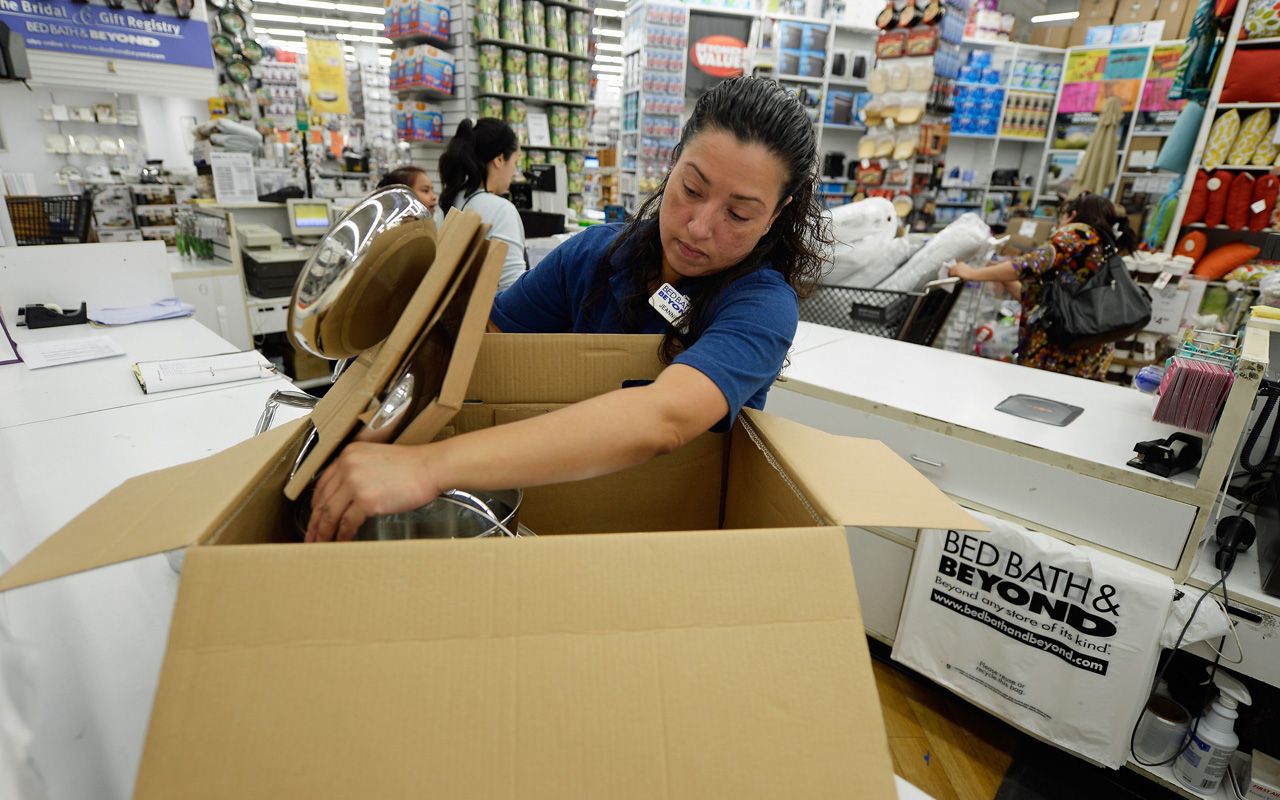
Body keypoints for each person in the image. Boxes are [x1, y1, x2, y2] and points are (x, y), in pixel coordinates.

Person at [305, 76, 828, 543]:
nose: (698, 226)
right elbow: (484, 345)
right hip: (553, 513)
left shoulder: (761, 305)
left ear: (777, 214)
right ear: (672, 164)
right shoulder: (595, 256)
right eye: (691, 189)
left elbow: (662, 419)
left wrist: (427, 466)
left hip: (673, 533)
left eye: (738, 213)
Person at [947, 193, 1135, 381]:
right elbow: (1044, 301)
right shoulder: (1101, 245)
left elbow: (1027, 265)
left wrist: (971, 273)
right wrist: (998, 272)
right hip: (1086, 348)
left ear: (1071, 215)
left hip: (1061, 351)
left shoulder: (1078, 234)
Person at [438, 118, 527, 292]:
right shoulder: (500, 209)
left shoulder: (452, 199)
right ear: (499, 160)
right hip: (486, 317)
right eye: (515, 162)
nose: (515, 172)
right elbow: (512, 288)